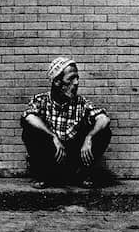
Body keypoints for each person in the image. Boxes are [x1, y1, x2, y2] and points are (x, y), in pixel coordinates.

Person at [21, 56, 111, 187]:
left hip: (74, 158)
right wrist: (52, 137)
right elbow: (28, 116)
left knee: (104, 131)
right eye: (71, 78)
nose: (76, 83)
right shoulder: (41, 100)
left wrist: (89, 137)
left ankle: (84, 174)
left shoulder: (82, 103)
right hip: (52, 157)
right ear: (57, 82)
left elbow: (104, 118)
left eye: (77, 78)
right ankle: (43, 175)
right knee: (30, 131)